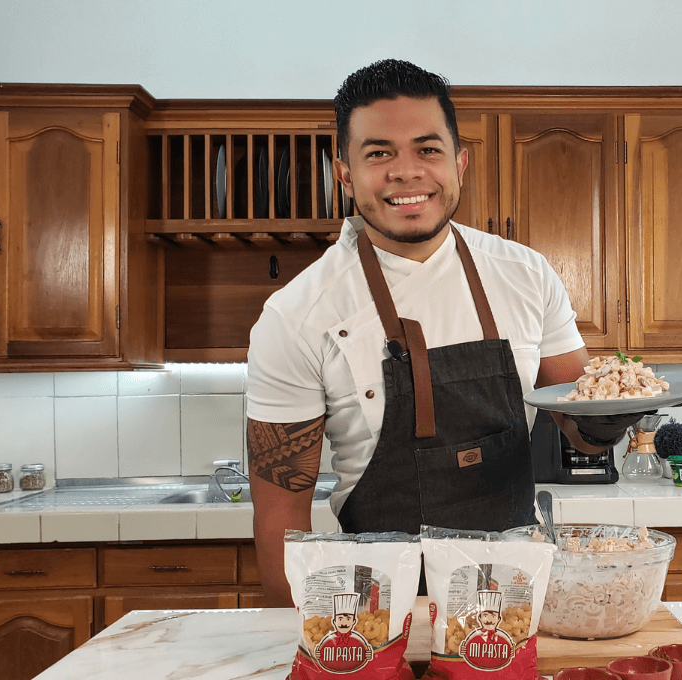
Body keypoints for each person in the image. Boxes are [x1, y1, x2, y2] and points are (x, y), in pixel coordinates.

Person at [246, 59, 642, 607]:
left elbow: (580, 428)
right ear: (345, 173)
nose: (406, 172)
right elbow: (279, 522)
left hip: (515, 603)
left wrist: (612, 420)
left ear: (459, 162)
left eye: (427, 149)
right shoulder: (297, 315)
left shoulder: (526, 275)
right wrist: (290, 636)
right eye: (378, 153)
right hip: (381, 616)